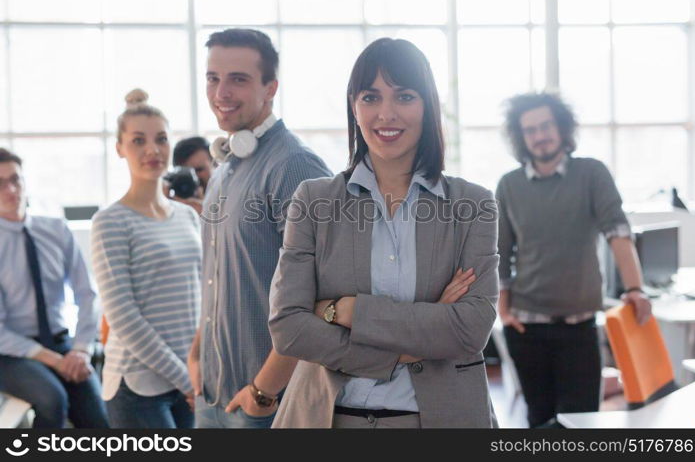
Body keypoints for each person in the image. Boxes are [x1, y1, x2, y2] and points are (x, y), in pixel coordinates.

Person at [268, 38, 500, 428]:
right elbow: (289, 329)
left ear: (427, 106)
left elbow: (469, 329)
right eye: (371, 97)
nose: (386, 114)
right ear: (354, 106)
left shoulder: (473, 204)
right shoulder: (313, 199)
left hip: (438, 420)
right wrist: (407, 346)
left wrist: (346, 311)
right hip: (327, 418)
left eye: (405, 96)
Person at [187, 28, 331, 429]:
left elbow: (324, 294)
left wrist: (263, 392)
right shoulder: (223, 170)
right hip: (212, 393)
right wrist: (197, 354)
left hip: (267, 403)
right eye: (213, 78)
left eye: (238, 79)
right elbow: (216, 278)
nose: (221, 92)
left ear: (271, 87)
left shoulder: (295, 166)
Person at [496, 92, 652, 428]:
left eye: (546, 125)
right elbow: (500, 252)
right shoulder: (509, 184)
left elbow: (618, 233)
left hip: (579, 327)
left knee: (582, 423)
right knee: (539, 421)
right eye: (531, 130)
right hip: (526, 329)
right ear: (522, 137)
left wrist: (636, 288)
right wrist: (504, 311)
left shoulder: (592, 174)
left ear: (561, 128)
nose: (540, 135)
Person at [91, 89, 201, 428]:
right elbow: (123, 317)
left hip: (192, 378)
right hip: (137, 386)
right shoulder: (110, 221)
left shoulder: (188, 217)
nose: (153, 150)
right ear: (120, 148)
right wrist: (185, 379)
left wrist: (198, 369)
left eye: (161, 139)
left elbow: (202, 297)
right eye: (138, 141)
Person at [0, 148, 108, 428]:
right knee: (53, 398)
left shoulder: (56, 229)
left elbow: (88, 293)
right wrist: (56, 362)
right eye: (0, 183)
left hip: (62, 343)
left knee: (99, 419)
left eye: (16, 179)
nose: (11, 189)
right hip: (10, 353)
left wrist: (81, 350)